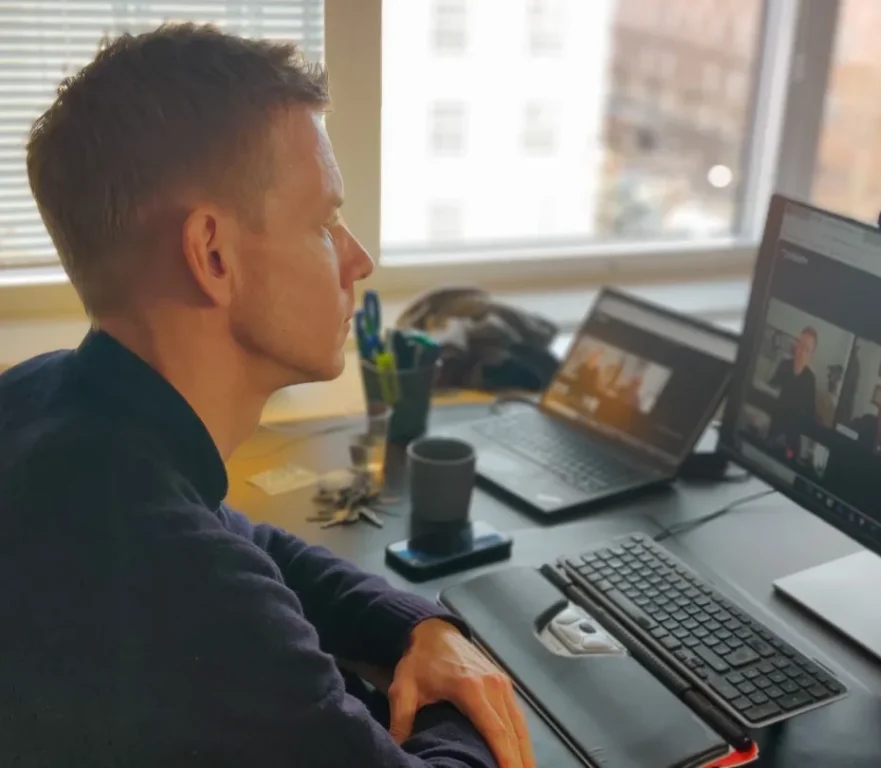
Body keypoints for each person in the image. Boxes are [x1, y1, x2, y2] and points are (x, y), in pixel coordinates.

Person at [1, 25, 533, 768]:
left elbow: (245, 539)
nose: (359, 259)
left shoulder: (45, 396)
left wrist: (419, 627)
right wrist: (463, 694)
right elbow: (212, 569)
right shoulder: (180, 589)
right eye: (324, 222)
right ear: (212, 254)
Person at [767, 326, 819, 456]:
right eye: (800, 345)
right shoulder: (784, 364)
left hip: (793, 434)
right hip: (775, 425)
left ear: (811, 354)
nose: (801, 351)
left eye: (806, 349)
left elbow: (810, 414)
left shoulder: (810, 379)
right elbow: (770, 390)